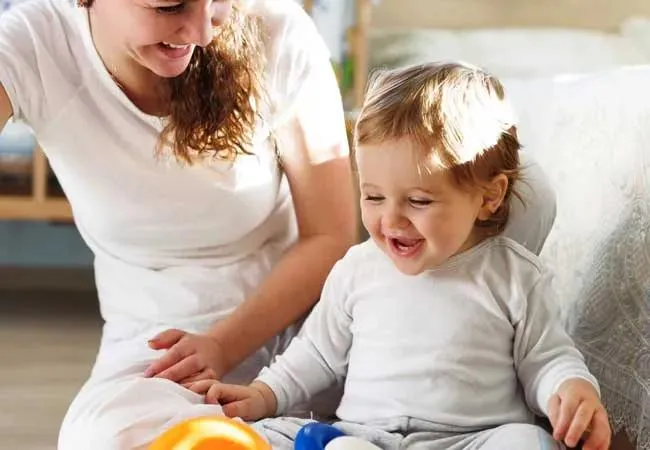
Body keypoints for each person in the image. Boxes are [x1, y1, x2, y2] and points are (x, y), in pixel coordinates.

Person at [0, 0, 552, 448]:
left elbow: (329, 236)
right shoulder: (32, 42)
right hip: (161, 352)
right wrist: (205, 356)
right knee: (103, 437)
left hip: (309, 324)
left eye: (217, 2)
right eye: (169, 7)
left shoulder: (278, 31)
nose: (201, 31)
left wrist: (224, 345)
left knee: (531, 188)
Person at [185, 62, 612, 450]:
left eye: (419, 201)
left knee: (527, 442)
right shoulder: (358, 269)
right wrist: (263, 394)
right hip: (367, 437)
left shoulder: (515, 275)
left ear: (489, 197)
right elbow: (315, 353)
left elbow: (547, 359)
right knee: (324, 445)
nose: (391, 219)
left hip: (473, 440)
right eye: (372, 196)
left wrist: (571, 388)